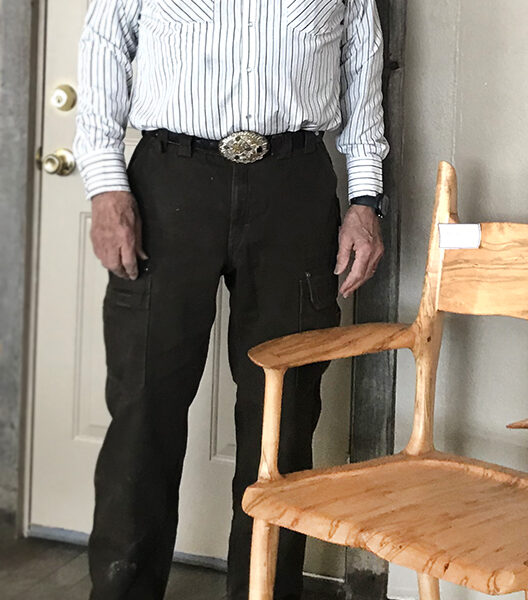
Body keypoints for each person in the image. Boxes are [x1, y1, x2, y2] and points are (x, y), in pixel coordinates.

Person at [72, 1, 389, 599]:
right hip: (169, 183)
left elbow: (362, 66)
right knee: (143, 408)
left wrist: (366, 199)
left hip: (294, 187)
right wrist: (106, 185)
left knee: (283, 417)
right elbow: (104, 51)